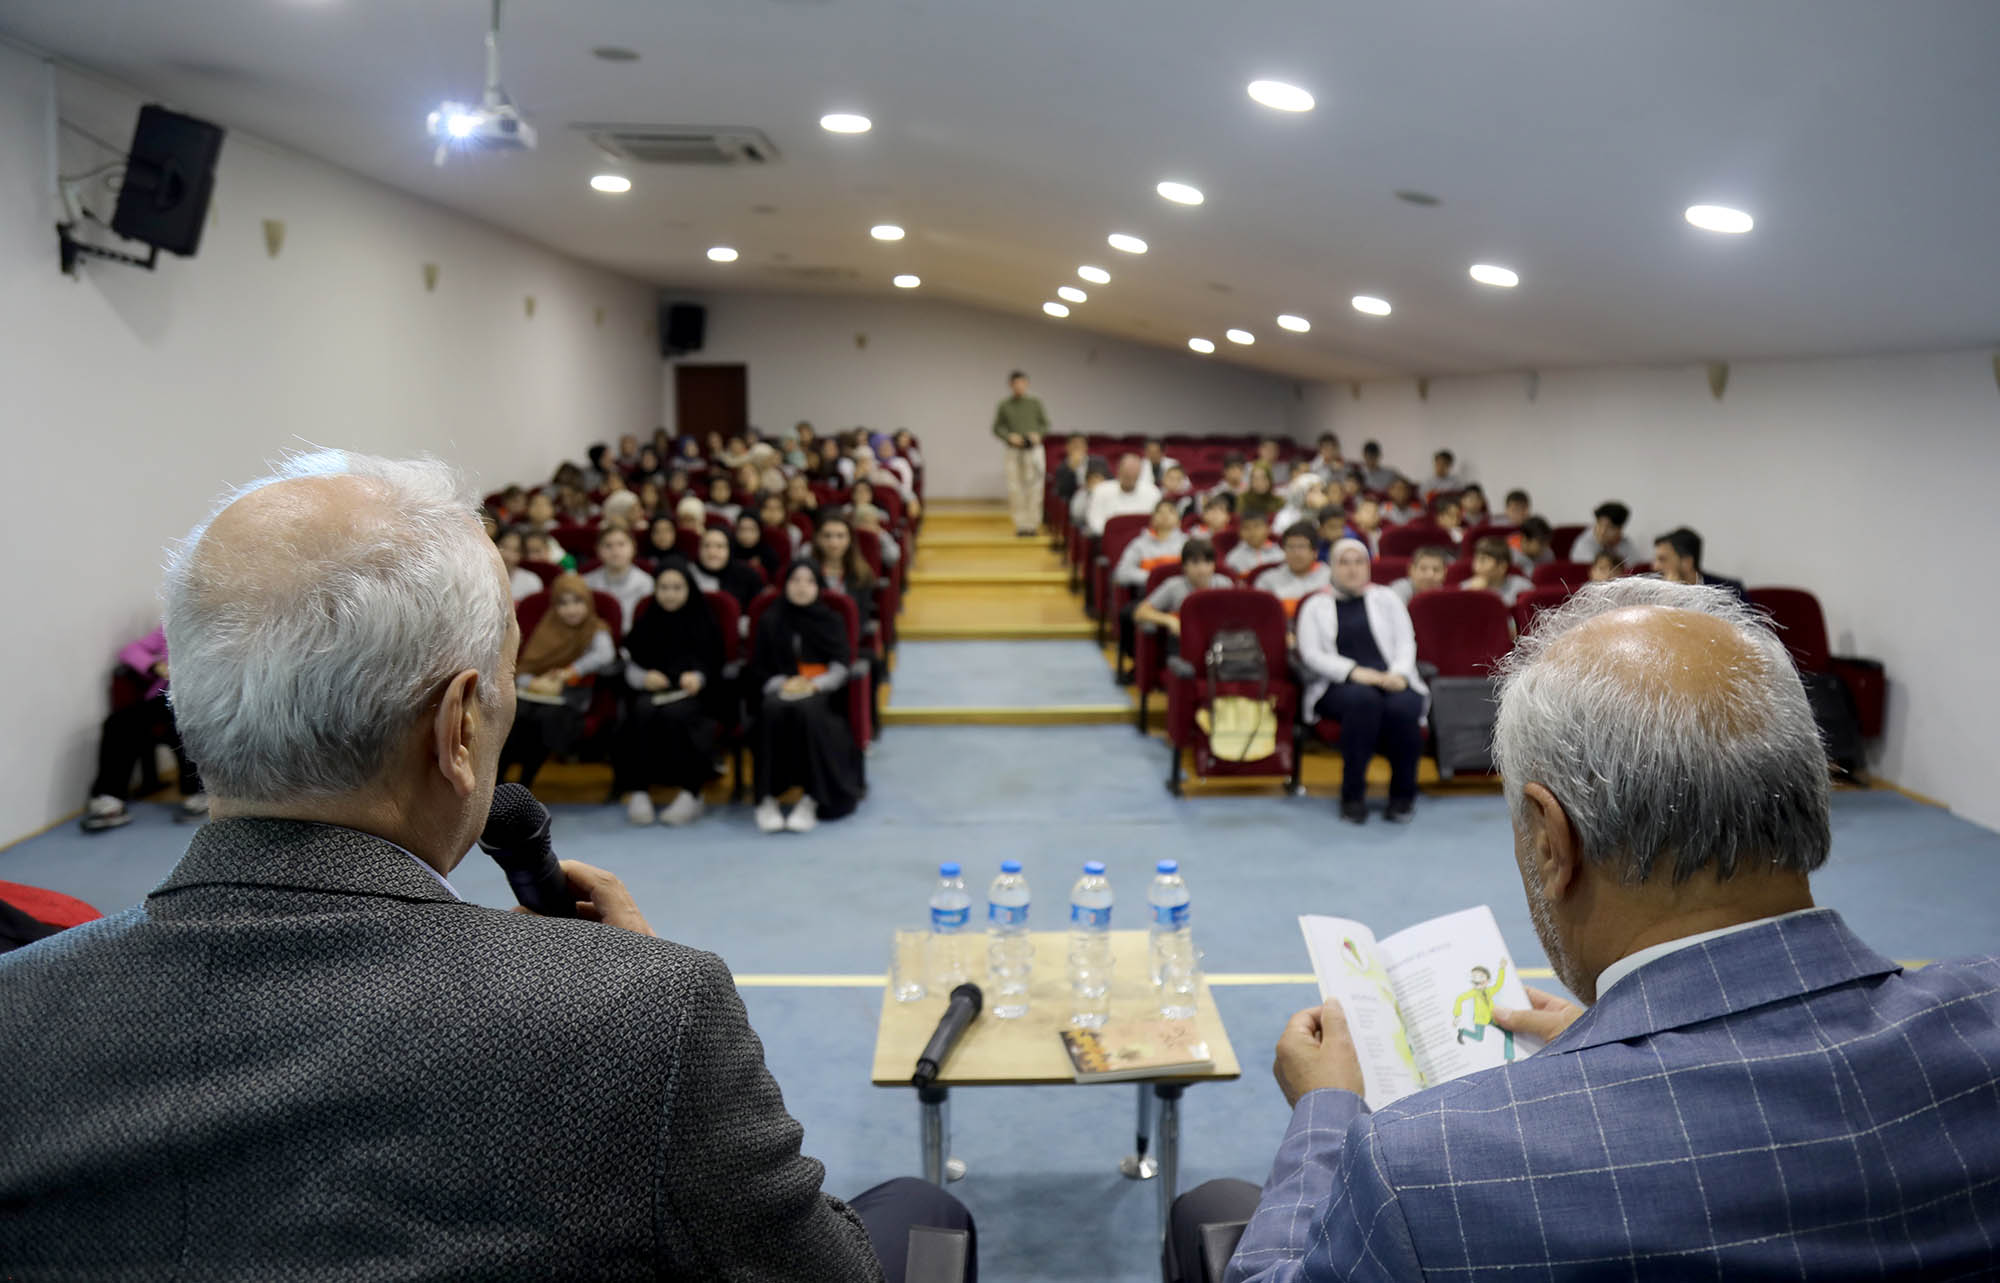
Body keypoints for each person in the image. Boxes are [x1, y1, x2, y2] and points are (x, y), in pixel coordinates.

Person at [1, 451, 968, 1278]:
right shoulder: (646, 1014)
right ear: (460, 725)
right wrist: (624, 980)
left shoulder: (17, 1007)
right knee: (926, 1214)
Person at [1201, 578, 2000, 1281]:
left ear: (1552, 839)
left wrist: (1327, 1113)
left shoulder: (1428, 1167)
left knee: (1207, 1207)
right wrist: (1617, 1038)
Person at [1295, 539, 1426, 825]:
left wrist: (1399, 674)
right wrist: (1354, 672)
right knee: (1363, 700)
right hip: (1339, 684)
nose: (1353, 570)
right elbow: (1311, 654)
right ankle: (1352, 795)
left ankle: (1403, 796)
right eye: (1345, 562)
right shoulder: (1315, 604)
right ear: (1332, 567)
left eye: (1359, 562)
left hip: (1391, 677)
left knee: (1404, 705)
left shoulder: (1387, 598)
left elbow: (1407, 641)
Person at [750, 562, 867, 834]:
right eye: (795, 580)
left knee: (808, 712)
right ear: (785, 585)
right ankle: (766, 799)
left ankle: (812, 799)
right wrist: (784, 683)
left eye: (809, 581)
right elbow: (758, 668)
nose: (801, 587)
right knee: (770, 709)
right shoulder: (770, 618)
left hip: (822, 694)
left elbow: (840, 665)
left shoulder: (831, 620)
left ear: (819, 587)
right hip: (779, 689)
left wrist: (814, 685)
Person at [614, 558, 724, 827]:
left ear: (689, 589)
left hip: (696, 696)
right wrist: (643, 678)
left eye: (677, 587)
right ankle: (639, 790)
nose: (670, 594)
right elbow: (631, 660)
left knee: (679, 715)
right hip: (654, 692)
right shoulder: (648, 619)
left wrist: (697, 677)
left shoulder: (703, 619)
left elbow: (715, 662)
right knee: (640, 711)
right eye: (664, 587)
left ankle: (691, 792)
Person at [80, 624, 206, 831]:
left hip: (204, 698)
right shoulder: (173, 624)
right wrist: (154, 665)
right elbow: (130, 652)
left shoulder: (233, 624)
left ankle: (198, 793)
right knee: (117, 723)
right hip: (165, 696)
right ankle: (110, 799)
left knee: (184, 723)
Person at [501, 573, 616, 789]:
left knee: (543, 720)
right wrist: (533, 683)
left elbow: (605, 655)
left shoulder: (595, 628)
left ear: (588, 602)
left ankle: (525, 783)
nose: (571, 609)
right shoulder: (547, 627)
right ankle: (499, 784)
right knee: (518, 715)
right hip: (535, 695)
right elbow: (524, 667)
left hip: (571, 697)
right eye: (563, 603)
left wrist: (569, 672)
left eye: (577, 601)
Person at [1113, 499, 1191, 678]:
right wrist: (1152, 577)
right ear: (1152, 519)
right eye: (1160, 512)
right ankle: (1137, 663)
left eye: (1170, 512)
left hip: (1180, 598)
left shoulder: (1187, 544)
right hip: (1149, 597)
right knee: (1127, 614)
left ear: (1178, 519)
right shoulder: (1139, 544)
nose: (1164, 516)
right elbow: (1121, 573)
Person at [1133, 538, 1222, 656]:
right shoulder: (1173, 586)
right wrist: (1169, 620)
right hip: (1183, 646)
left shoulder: (1224, 584)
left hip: (1218, 645)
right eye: (1195, 563)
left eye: (1207, 562)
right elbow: (1140, 612)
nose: (1202, 569)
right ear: (1184, 566)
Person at [993, 369, 1049, 537]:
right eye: (1016, 383)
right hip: (1014, 450)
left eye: (1023, 383)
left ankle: (1033, 524)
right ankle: (1021, 525)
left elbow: (1045, 424)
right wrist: (1009, 436)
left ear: (1027, 384)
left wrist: (1038, 434)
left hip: (1033, 449)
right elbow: (997, 428)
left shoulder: (1035, 402)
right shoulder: (1004, 404)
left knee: (1035, 487)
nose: (1019, 386)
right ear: (1011, 385)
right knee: (1015, 487)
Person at [812, 514, 878, 647]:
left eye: (840, 536)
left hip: (848, 643)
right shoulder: (806, 571)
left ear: (850, 539)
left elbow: (861, 618)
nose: (833, 543)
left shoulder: (862, 574)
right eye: (827, 536)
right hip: (812, 642)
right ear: (818, 539)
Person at [582, 527, 656, 634]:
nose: (615, 551)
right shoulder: (586, 583)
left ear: (633, 548)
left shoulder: (647, 583)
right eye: (608, 545)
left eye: (621, 544)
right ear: (598, 550)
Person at [1256, 523, 1333, 619]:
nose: (1296, 553)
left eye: (1302, 547)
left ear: (1315, 552)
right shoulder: (1267, 580)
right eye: (1290, 547)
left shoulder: (1330, 577)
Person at [1653, 526, 1748, 601]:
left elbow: (1751, 625)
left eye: (1662, 559)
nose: (1655, 567)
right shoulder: (1655, 595)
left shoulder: (1731, 592)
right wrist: (1668, 600)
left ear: (1686, 562)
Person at [1084, 454, 1162, 537]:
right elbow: (1094, 519)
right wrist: (1111, 535)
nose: (1130, 477)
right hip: (1108, 539)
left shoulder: (1153, 492)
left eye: (1133, 475)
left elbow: (1158, 521)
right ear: (1118, 471)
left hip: (1145, 540)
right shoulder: (1101, 490)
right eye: (1126, 474)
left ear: (1139, 473)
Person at [692, 526, 765, 613]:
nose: (712, 552)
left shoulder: (749, 576)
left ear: (729, 549)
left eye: (719, 546)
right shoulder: (687, 574)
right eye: (706, 546)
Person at [1460, 535, 1534, 607]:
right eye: (1475, 560)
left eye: (1483, 560)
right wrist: (1472, 595)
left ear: (1502, 566)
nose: (1476, 566)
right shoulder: (1465, 589)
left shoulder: (1523, 587)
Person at [1570, 500, 1638, 564]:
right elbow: (1600, 571)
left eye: (1609, 528)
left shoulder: (1625, 543)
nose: (1602, 532)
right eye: (1599, 524)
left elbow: (1633, 565)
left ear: (1619, 530)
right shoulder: (1585, 543)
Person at [1224, 511, 1283, 578]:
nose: (1252, 532)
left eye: (1257, 526)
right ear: (1240, 532)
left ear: (1268, 529)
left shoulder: (1280, 554)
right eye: (1246, 528)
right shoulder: (1233, 557)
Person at [496, 527, 542, 601]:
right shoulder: (481, 577)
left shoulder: (531, 582)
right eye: (503, 547)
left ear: (522, 555)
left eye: (515, 550)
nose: (507, 555)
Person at [734, 512, 782, 581]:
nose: (747, 534)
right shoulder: (729, 551)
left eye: (752, 530)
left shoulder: (769, 555)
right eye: (742, 529)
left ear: (760, 531)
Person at [1052, 434, 1094, 509]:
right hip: (1077, 500)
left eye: (1081, 444)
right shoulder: (1062, 468)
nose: (1078, 447)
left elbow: (1111, 481)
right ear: (1067, 447)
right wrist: (1072, 468)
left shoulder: (1098, 462)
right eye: (1074, 444)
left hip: (1099, 495)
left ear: (1086, 447)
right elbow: (1062, 491)